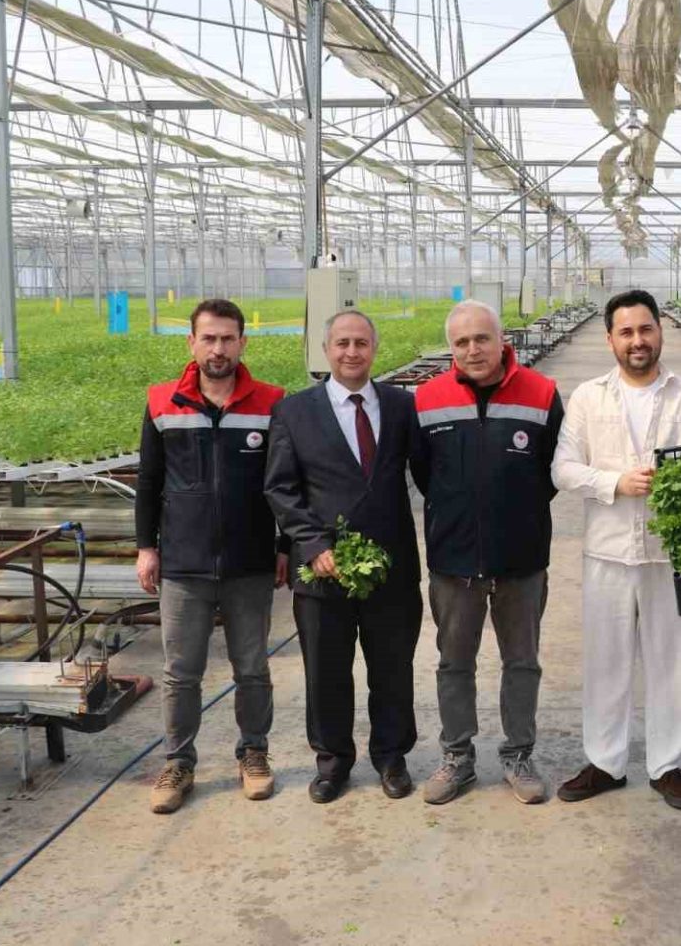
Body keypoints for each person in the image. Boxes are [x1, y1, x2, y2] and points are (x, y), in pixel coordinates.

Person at [550, 289, 681, 811]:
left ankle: (667, 765)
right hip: (607, 552)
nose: (637, 340)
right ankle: (605, 762)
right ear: (610, 340)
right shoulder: (588, 397)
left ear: (660, 331)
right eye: (626, 332)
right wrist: (615, 482)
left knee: (672, 661)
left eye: (645, 329)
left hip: (670, 553)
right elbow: (563, 468)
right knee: (606, 660)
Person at [264, 309, 423, 804]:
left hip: (390, 568)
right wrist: (313, 545)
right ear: (326, 350)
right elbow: (281, 488)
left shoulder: (402, 406)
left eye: (361, 343)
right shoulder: (295, 412)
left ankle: (391, 757)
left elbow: (429, 474)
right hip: (322, 572)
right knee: (326, 672)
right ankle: (332, 762)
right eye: (342, 343)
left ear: (374, 348)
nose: (352, 352)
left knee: (392, 668)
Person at [136, 298, 288, 814]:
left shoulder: (271, 403)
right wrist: (146, 548)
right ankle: (178, 762)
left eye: (227, 338)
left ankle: (254, 753)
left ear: (243, 343)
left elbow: (286, 483)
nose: (218, 348)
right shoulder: (163, 403)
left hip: (249, 562)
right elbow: (149, 482)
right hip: (183, 562)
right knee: (181, 672)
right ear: (192, 343)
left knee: (252, 668)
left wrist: (285, 546)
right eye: (209, 338)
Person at [413, 300, 563, 806]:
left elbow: (553, 470)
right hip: (453, 560)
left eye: (482, 338)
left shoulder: (541, 393)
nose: (473, 349)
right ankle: (457, 756)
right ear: (450, 348)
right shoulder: (427, 398)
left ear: (503, 340)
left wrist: (514, 512)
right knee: (454, 662)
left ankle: (518, 754)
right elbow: (423, 473)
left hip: (522, 557)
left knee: (521, 661)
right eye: (462, 342)